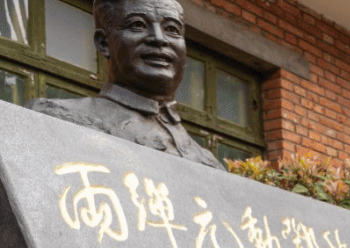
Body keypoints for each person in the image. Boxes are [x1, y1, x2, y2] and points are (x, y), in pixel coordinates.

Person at [26, 0, 223, 170]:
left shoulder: (209, 164)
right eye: (138, 25)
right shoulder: (54, 119)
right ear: (104, 42)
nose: (159, 38)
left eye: (172, 29)